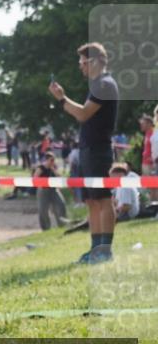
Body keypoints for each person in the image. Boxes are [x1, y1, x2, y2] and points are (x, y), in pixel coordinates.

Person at [49, 42, 119, 264]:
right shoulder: (97, 85)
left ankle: (104, 251)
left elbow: (82, 114)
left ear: (95, 61)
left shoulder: (105, 84)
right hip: (89, 150)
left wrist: (61, 98)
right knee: (92, 201)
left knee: (103, 200)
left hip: (99, 150)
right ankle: (95, 249)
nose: (81, 67)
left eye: (83, 62)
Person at [33, 152, 69, 230]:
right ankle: (45, 228)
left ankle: (62, 225)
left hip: (53, 189)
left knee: (61, 204)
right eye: (51, 160)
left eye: (54, 160)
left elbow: (59, 176)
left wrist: (53, 169)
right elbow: (35, 178)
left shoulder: (53, 168)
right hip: (43, 190)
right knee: (43, 210)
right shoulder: (40, 168)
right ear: (46, 160)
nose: (53, 162)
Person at [141, 113, 156, 203]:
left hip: (150, 164)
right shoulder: (147, 134)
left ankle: (154, 206)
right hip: (146, 163)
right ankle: (152, 205)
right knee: (149, 186)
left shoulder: (153, 134)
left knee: (153, 186)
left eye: (143, 123)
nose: (141, 125)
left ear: (149, 123)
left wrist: (152, 160)